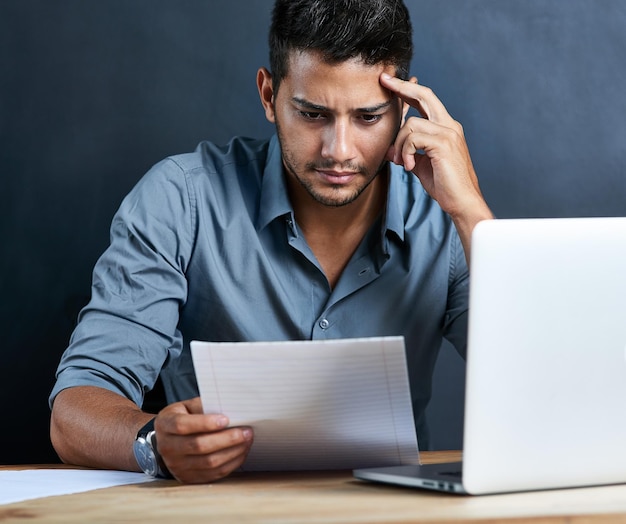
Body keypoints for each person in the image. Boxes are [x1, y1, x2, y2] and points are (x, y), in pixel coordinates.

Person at [49, 0, 493, 485]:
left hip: (390, 512)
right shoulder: (181, 200)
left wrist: (471, 213)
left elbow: (541, 389)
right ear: (268, 95)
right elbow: (74, 413)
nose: (338, 151)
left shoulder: (446, 221)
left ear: (403, 110)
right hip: (215, 514)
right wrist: (154, 442)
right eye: (311, 114)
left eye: (368, 118)